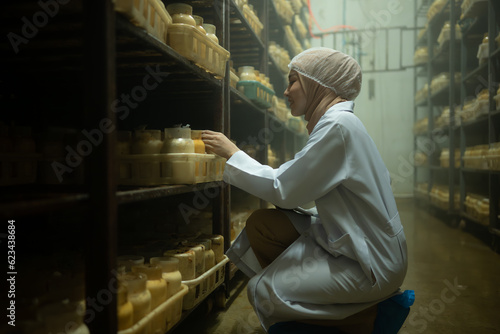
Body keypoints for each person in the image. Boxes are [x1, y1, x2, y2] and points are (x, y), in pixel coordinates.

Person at [202, 47, 408, 333]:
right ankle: (327, 305)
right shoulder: (338, 123)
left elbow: (284, 187)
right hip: (359, 242)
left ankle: (368, 318)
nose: (286, 92)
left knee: (263, 293)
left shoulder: (338, 126)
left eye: (292, 81)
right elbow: (298, 185)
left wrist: (233, 152)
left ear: (317, 83)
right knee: (262, 227)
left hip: (372, 262)